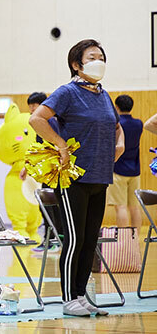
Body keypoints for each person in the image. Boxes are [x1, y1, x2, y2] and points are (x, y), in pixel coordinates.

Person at [29, 39, 123, 318]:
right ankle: (69, 298)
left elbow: (116, 126)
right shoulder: (67, 92)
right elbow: (37, 119)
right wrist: (60, 144)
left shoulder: (104, 95)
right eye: (93, 56)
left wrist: (120, 144)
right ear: (76, 64)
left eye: (102, 56)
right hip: (74, 179)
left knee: (90, 237)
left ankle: (81, 295)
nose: (99, 61)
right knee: (75, 238)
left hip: (100, 176)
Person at [21, 92, 63, 253]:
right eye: (30, 105)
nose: (31, 109)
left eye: (34, 105)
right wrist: (28, 166)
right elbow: (39, 149)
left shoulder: (49, 122)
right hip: (48, 172)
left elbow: (51, 147)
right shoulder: (40, 123)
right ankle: (52, 238)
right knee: (48, 205)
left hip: (55, 172)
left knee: (51, 206)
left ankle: (53, 239)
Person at [109, 94, 143, 229]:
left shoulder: (116, 125)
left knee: (121, 207)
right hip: (135, 170)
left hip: (118, 169)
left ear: (116, 107)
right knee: (134, 207)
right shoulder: (138, 124)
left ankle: (124, 241)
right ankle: (134, 241)